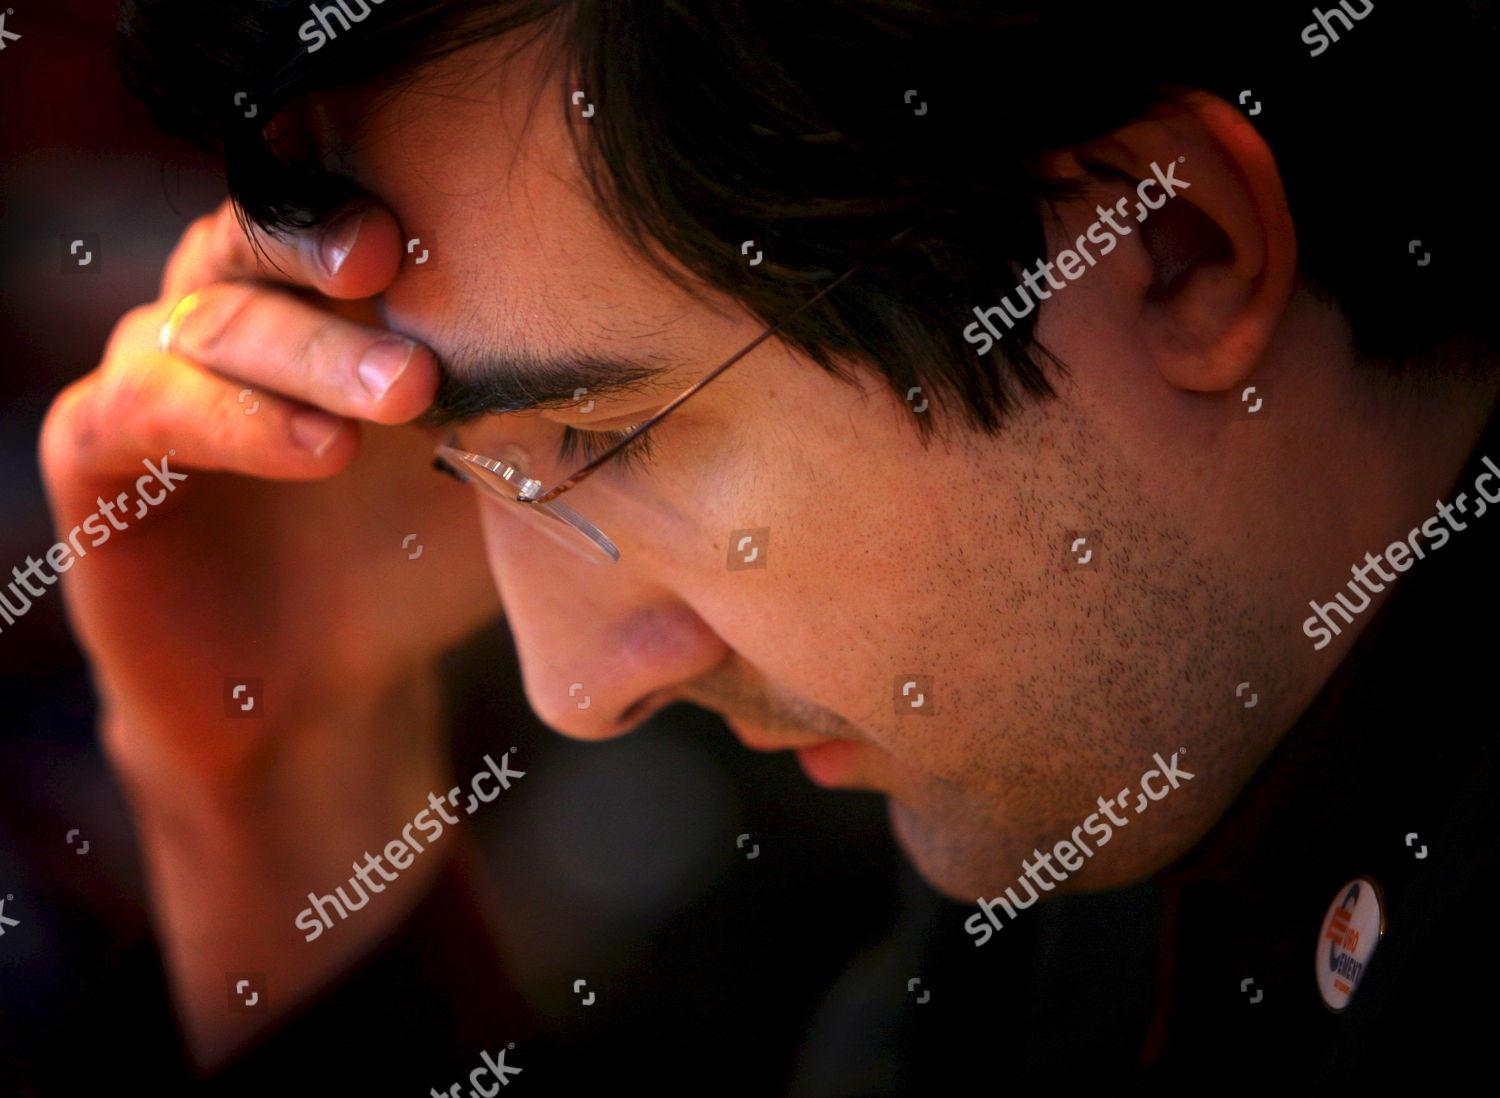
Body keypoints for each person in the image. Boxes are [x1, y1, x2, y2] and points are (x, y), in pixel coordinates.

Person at [39, 0, 1500, 1089]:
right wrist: (283, 774)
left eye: (605, 440)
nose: (573, 686)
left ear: (1168, 246)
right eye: (464, 465)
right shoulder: (1102, 814)